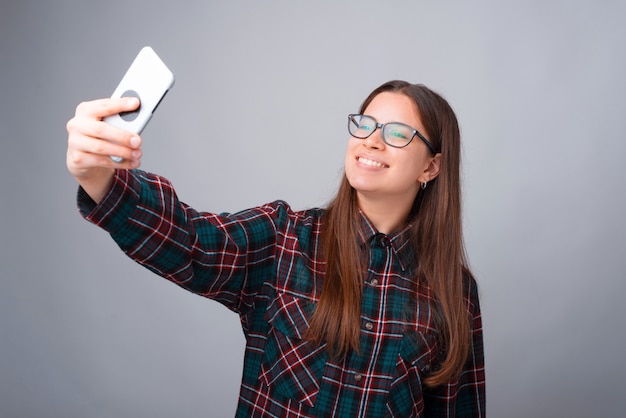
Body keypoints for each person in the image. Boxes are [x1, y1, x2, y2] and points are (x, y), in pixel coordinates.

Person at [66, 80, 485, 417]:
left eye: (396, 133)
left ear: (431, 166)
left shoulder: (455, 293)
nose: (372, 141)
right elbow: (189, 241)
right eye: (364, 124)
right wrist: (100, 177)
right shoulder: (284, 237)